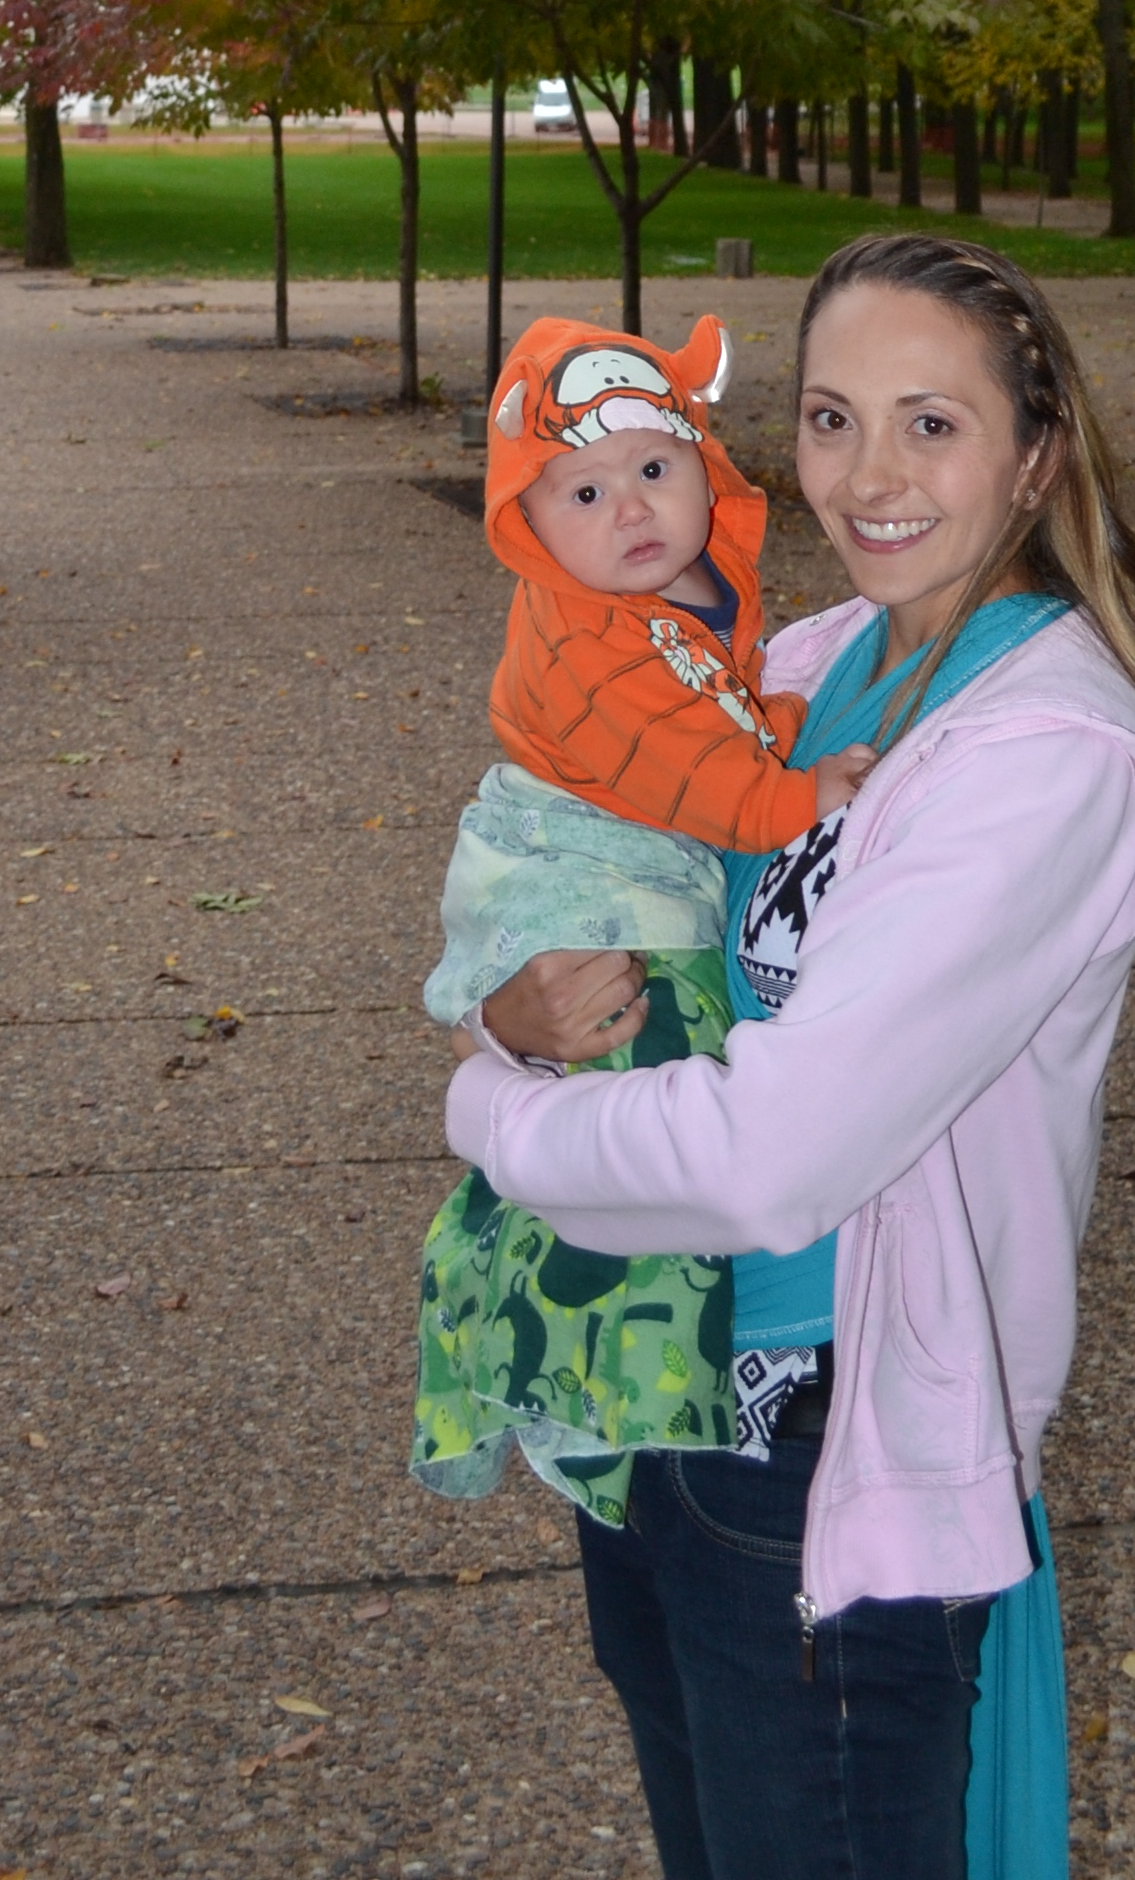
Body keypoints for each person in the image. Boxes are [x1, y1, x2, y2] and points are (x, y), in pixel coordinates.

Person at [445, 233, 1135, 1880]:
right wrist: (507, 1016)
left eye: (929, 424)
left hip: (823, 1456)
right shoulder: (811, 667)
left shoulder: (1046, 761)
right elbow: (587, 895)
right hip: (655, 1382)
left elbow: (775, 1154)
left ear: (1036, 455)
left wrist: (483, 1105)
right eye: (830, 418)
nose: (867, 478)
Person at [414, 314, 877, 1519]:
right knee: (637, 1088)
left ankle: (567, 1357)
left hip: (629, 861)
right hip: (579, 867)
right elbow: (697, 777)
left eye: (656, 468)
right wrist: (800, 791)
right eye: (584, 491)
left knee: (618, 1123)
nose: (631, 510)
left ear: (703, 466)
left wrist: (778, 731)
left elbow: (720, 716)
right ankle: (564, 1381)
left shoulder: (671, 597)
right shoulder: (584, 638)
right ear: (529, 522)